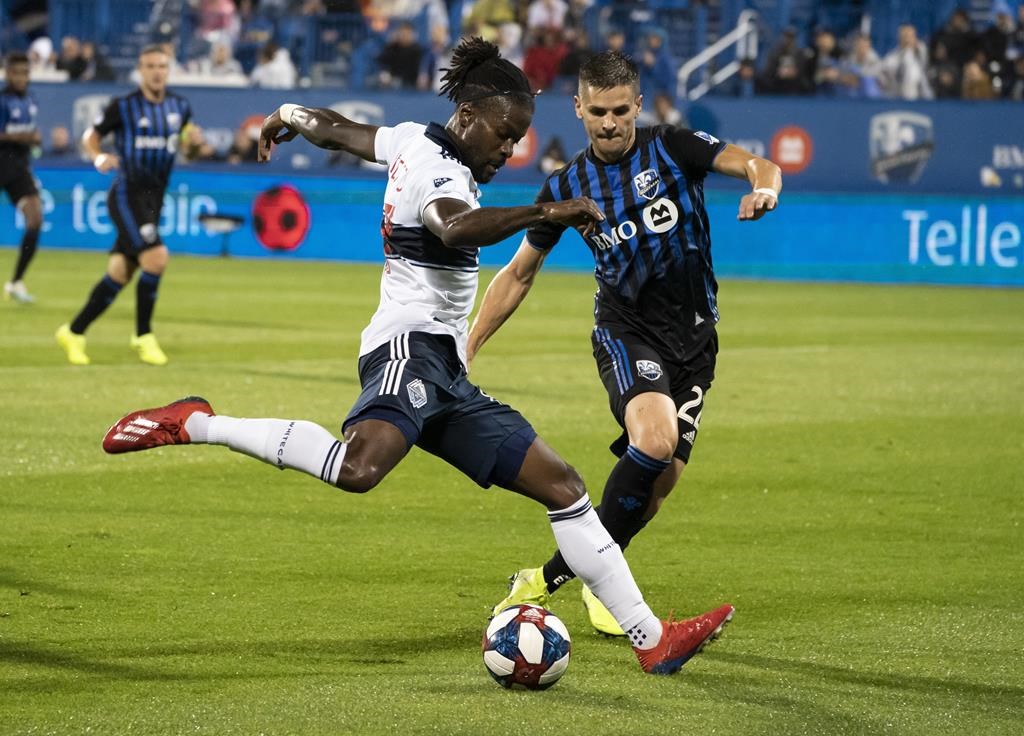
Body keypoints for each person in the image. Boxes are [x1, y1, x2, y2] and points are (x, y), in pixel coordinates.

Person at [100, 38, 733, 676]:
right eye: (504, 134)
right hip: (408, 345)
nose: (508, 149)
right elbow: (453, 226)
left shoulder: (408, 137)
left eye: (517, 138)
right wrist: (547, 210)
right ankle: (197, 422)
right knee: (358, 468)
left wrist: (288, 115)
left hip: (443, 369)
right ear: (468, 114)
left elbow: (339, 131)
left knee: (564, 487)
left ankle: (651, 640)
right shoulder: (439, 169)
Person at [468, 51, 780, 637]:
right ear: (578, 108)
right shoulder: (565, 186)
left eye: (620, 111)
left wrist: (764, 191)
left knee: (654, 489)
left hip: (695, 341)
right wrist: (469, 345)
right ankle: (612, 594)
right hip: (624, 328)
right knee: (655, 440)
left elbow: (759, 164)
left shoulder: (675, 147)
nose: (609, 124)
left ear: (637, 105)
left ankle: (546, 580)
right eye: (597, 112)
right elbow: (518, 273)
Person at [55, 45, 193, 366]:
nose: (157, 71)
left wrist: (195, 146)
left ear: (168, 69)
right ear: (140, 71)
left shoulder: (180, 107)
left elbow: (186, 143)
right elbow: (91, 136)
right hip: (126, 194)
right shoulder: (124, 106)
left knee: (119, 273)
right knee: (156, 258)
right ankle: (143, 335)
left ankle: (73, 331)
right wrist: (98, 156)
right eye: (150, 66)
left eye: (162, 66)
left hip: (154, 197)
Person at [1, 52, 44, 304]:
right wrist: (17, 137)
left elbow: (29, 134)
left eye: (25, 72)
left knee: (35, 219)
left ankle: (16, 282)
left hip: (18, 166)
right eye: (15, 72)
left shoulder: (31, 100)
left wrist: (33, 138)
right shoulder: (2, 100)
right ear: (7, 73)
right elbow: (16, 135)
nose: (20, 77)